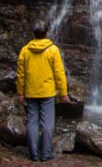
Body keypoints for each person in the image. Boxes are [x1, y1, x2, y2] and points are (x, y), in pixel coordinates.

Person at [16, 22, 69, 162]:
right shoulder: (53, 50)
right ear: (47, 32)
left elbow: (20, 74)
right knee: (47, 124)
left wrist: (20, 93)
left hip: (31, 92)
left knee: (32, 122)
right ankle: (46, 153)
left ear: (34, 33)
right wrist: (63, 93)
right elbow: (59, 73)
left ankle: (33, 154)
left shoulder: (25, 51)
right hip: (47, 93)